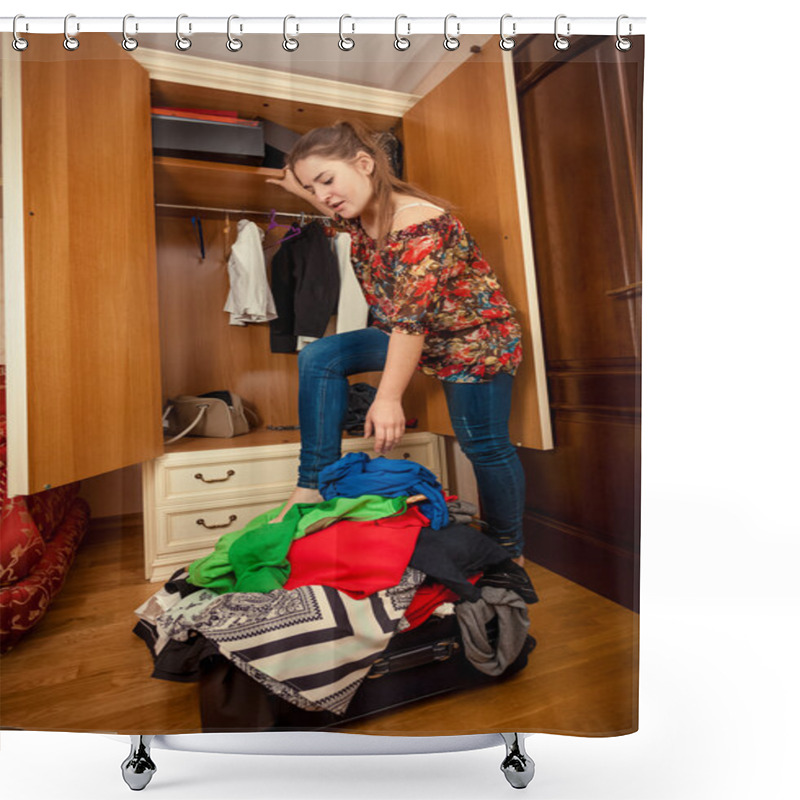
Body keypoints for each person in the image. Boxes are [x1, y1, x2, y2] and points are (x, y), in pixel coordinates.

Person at [266, 121, 527, 566]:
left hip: (472, 341)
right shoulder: (359, 213)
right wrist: (301, 186)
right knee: (319, 355)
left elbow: (411, 324)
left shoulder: (420, 225)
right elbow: (329, 201)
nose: (323, 194)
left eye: (328, 180)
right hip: (414, 335)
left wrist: (387, 399)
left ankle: (508, 550)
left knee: (484, 445)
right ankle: (310, 486)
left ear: (365, 164)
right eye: (315, 186)